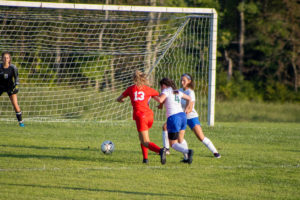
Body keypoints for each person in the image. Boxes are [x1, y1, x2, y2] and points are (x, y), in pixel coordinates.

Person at [162, 73, 220, 160]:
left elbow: (190, 107)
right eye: (181, 80)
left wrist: (184, 112)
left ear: (189, 81)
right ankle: (167, 150)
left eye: (184, 80)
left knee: (201, 137)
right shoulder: (179, 90)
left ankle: (216, 152)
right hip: (181, 117)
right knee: (169, 131)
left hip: (191, 117)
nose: (182, 82)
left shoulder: (190, 92)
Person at [116, 70, 166, 164]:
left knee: (145, 141)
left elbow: (119, 98)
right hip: (150, 116)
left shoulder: (130, 89)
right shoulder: (148, 89)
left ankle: (160, 151)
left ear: (133, 79)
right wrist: (161, 105)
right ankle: (145, 159)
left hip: (140, 116)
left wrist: (120, 100)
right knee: (142, 138)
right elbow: (159, 98)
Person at [156, 77, 194, 164]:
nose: (161, 89)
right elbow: (189, 98)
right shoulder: (176, 91)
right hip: (182, 116)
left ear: (164, 85)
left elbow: (160, 99)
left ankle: (188, 151)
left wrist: (152, 95)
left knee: (173, 144)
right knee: (180, 139)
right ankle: (186, 158)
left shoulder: (166, 91)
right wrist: (187, 108)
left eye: (161, 86)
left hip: (173, 118)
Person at [0, 52, 24, 127]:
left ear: (9, 59)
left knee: (15, 104)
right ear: (2, 59)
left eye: (7, 58)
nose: (5, 59)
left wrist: (16, 86)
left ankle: (21, 122)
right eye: (4, 57)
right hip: (0, 87)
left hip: (10, 87)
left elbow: (16, 78)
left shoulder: (13, 67)